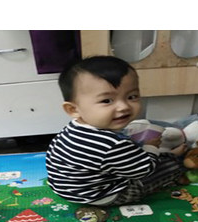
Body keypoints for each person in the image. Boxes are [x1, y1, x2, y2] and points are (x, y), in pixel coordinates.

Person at [46, 55, 187, 205]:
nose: (124, 107)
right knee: (168, 166)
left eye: (132, 96)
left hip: (66, 189)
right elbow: (145, 170)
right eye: (107, 100)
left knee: (132, 156)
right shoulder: (112, 144)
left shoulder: (72, 129)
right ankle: (174, 160)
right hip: (103, 195)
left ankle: (164, 155)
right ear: (73, 109)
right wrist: (151, 147)